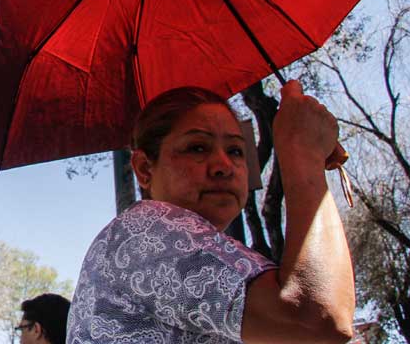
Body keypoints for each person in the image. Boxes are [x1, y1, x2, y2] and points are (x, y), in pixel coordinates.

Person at [66, 82, 355, 344]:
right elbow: (318, 317)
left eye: (236, 151)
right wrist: (303, 150)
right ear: (144, 168)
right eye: (197, 148)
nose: (223, 165)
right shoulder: (145, 231)